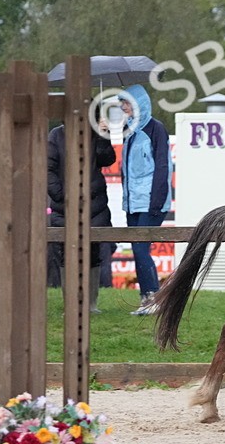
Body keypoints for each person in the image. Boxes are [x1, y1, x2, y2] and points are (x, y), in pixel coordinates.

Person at [47, 122, 117, 313]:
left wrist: (103, 135)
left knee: (93, 253)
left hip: (94, 206)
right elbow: (48, 168)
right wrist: (61, 196)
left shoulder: (96, 133)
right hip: (65, 208)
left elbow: (107, 159)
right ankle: (70, 304)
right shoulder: (56, 135)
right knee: (65, 254)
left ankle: (91, 304)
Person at [119, 85, 171, 316]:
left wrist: (156, 202)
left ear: (139, 104)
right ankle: (146, 299)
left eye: (127, 103)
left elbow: (162, 167)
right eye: (121, 103)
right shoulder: (127, 130)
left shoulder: (156, 129)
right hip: (132, 203)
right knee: (137, 249)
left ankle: (155, 298)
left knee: (141, 250)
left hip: (151, 203)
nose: (123, 107)